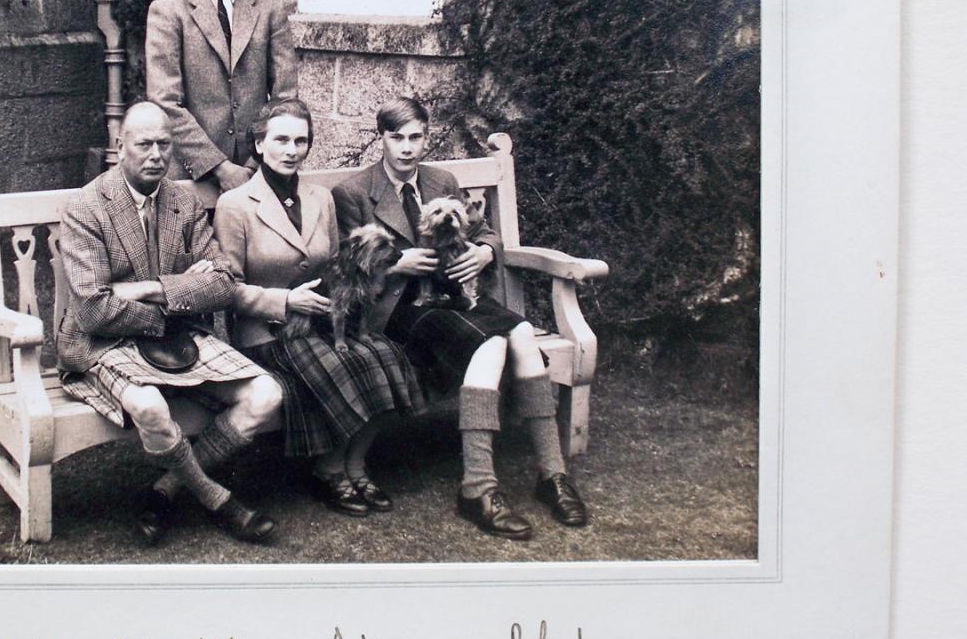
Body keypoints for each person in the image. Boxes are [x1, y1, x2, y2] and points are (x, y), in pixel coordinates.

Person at [331, 97, 590, 539]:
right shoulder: (354, 192)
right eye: (397, 138)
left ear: (427, 137)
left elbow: (483, 231)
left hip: (455, 296)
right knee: (492, 343)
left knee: (523, 332)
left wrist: (484, 252)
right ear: (382, 138)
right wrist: (396, 266)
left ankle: (553, 475)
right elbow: (345, 265)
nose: (407, 148)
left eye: (416, 137)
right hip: (399, 308)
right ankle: (478, 486)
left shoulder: (441, 180)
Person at [56, 102, 285, 546]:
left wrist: (148, 289)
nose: (156, 155)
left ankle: (166, 490)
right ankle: (217, 498)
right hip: (106, 343)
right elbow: (93, 311)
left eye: (165, 144)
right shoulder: (85, 208)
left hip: (180, 338)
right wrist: (181, 295)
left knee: (267, 394)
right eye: (144, 145)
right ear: (119, 146)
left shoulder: (184, 203)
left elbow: (222, 283)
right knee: (149, 406)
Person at [214, 100, 425, 517]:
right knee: (338, 365)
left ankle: (352, 463)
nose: (291, 150)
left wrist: (348, 310)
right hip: (269, 331)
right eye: (281, 140)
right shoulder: (236, 205)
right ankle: (331, 471)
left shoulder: (320, 199)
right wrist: (286, 300)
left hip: (327, 321)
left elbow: (338, 268)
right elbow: (226, 290)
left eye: (300, 141)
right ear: (259, 144)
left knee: (384, 356)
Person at [146, 0, 298, 192]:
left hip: (258, 176)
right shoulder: (168, 11)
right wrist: (219, 167)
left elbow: (284, 97)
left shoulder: (269, 10)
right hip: (191, 179)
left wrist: (256, 164)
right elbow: (165, 101)